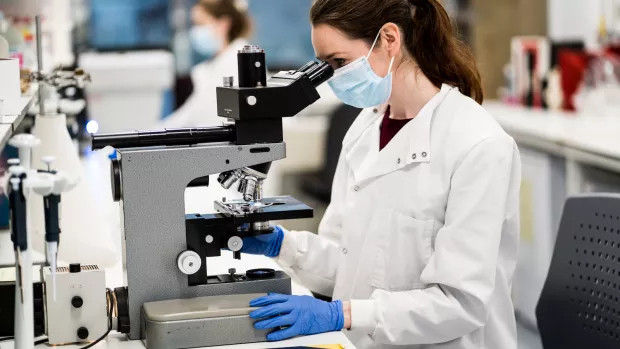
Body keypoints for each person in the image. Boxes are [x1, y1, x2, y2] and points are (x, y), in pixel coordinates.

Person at [240, 1, 522, 349]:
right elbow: (348, 260)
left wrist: (340, 314)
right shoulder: (365, 127)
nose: (333, 78)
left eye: (339, 63)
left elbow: (460, 303)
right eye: (325, 65)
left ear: (389, 38)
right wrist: (282, 244)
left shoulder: (478, 144)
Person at [157, 0, 250, 128]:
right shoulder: (211, 67)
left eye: (200, 24)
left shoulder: (240, 64)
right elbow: (190, 113)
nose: (195, 32)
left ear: (223, 24)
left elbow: (206, 117)